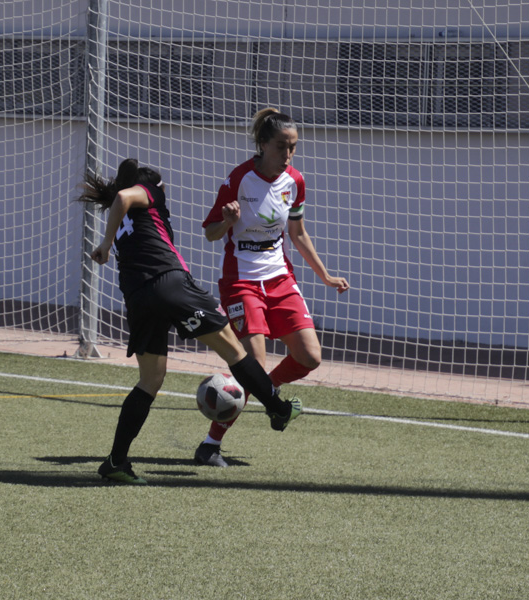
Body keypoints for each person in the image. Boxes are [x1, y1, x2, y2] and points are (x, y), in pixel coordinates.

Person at [79, 158, 302, 485]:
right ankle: (278, 409)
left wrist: (110, 237)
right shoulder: (146, 193)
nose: (163, 188)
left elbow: (121, 201)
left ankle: (116, 460)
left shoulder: (124, 217)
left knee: (150, 381)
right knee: (235, 351)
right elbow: (125, 196)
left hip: (137, 296)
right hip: (169, 283)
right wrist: (105, 243)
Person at [195, 108, 349, 467]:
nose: (288, 155)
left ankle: (271, 396)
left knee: (310, 356)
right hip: (241, 282)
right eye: (282, 146)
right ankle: (209, 446)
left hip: (280, 279)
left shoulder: (295, 181)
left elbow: (297, 233)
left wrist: (324, 275)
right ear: (263, 144)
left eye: (293, 147)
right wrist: (228, 221)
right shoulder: (239, 179)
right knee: (255, 365)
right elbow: (210, 233)